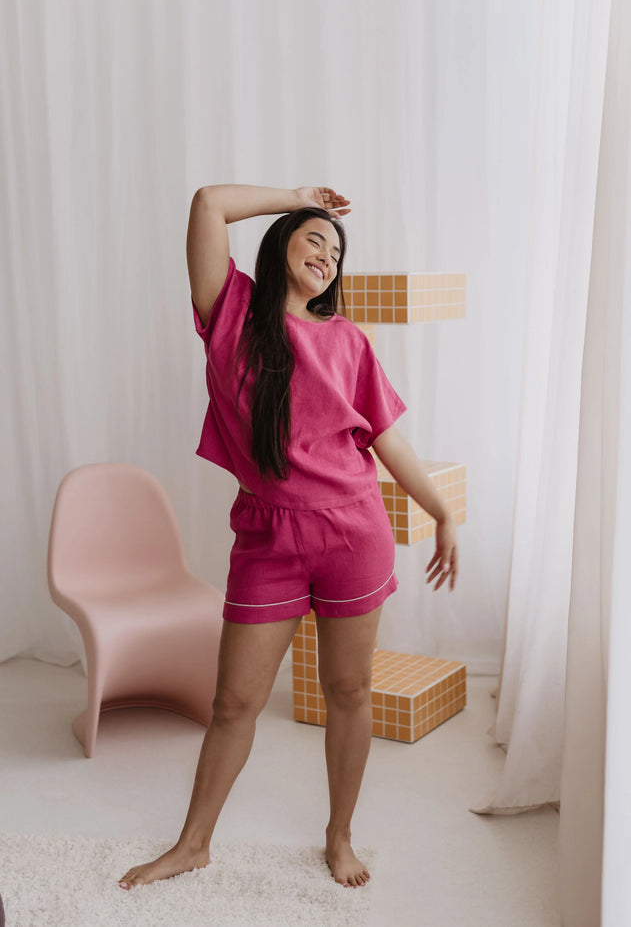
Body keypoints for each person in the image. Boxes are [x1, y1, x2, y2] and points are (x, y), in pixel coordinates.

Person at [119, 184, 458, 892]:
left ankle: (339, 836)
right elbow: (207, 205)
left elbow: (388, 440)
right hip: (268, 536)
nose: (327, 256)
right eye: (314, 240)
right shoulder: (230, 313)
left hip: (353, 531)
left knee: (349, 690)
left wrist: (442, 513)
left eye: (336, 252)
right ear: (280, 246)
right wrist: (299, 197)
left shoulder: (350, 341)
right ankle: (192, 844)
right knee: (233, 704)